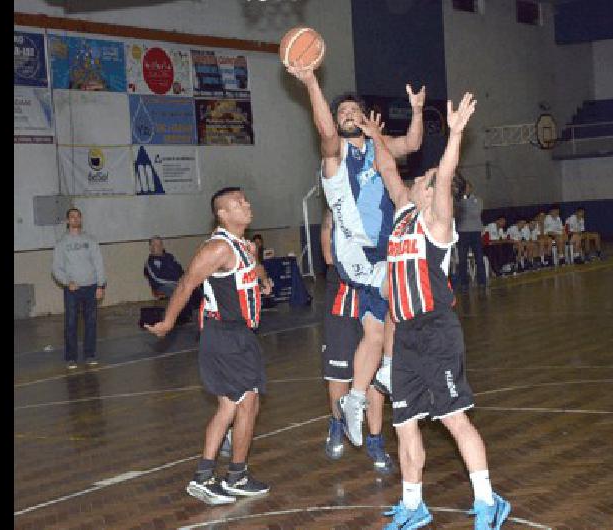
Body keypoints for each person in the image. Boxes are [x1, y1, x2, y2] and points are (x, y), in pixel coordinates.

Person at [360, 93, 511, 529]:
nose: (418, 180)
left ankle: (488, 500)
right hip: (405, 333)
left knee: (452, 417)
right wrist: (375, 138)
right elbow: (388, 170)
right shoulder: (404, 213)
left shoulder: (437, 223)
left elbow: (445, 176)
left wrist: (457, 133)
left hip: (436, 330)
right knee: (404, 422)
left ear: (434, 192)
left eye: (424, 178)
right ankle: (413, 505)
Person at [287, 62, 425, 447]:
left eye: (353, 112)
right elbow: (324, 132)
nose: (347, 117)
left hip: (383, 248)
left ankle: (358, 397)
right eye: (341, 113)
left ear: (365, 118)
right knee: (401, 289)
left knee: (377, 330)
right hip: (356, 252)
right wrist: (311, 81)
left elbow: (412, 144)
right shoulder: (335, 155)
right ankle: (388, 374)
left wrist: (416, 111)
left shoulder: (378, 147)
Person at [145, 187, 271, 504]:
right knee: (246, 403)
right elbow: (188, 283)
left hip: (242, 335)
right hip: (224, 335)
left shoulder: (244, 245)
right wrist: (168, 322)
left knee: (233, 405)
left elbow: (254, 270)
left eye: (246, 199)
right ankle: (230, 476)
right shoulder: (217, 248)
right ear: (222, 214)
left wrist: (263, 280)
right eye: (238, 203)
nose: (247, 204)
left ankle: (214, 476)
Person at [319, 208, 393, 473]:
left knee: (373, 376)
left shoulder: (381, 212)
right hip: (342, 301)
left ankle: (375, 439)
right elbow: (330, 256)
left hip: (372, 300)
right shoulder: (335, 212)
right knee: (338, 375)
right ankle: (338, 423)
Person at [51, 207, 106, 369]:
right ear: (68, 221)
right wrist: (67, 282)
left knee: (91, 322)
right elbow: (56, 268)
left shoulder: (91, 240)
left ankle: (90, 355)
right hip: (72, 290)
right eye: (72, 217)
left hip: (91, 288)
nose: (75, 219)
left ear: (80, 219)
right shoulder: (61, 243)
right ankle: (71, 358)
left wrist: (100, 285)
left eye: (78, 216)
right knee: (71, 323)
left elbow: (99, 264)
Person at [455, 180, 487, 290]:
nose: (466, 189)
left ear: (471, 188)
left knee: (479, 257)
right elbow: (458, 213)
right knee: (462, 259)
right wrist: (463, 203)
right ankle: (464, 283)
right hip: (462, 232)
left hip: (475, 232)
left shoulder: (478, 200)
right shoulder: (458, 201)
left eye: (467, 187)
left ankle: (482, 281)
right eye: (464, 187)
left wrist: (465, 205)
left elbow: (476, 213)